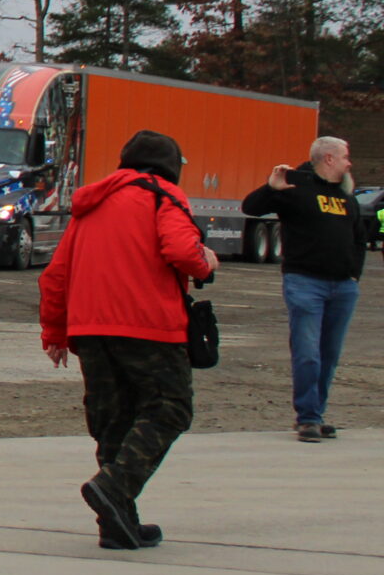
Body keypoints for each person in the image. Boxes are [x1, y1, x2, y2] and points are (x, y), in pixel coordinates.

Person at [39, 129, 216, 550]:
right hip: (148, 325)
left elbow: (55, 276)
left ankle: (117, 524)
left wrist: (55, 333)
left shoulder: (90, 206)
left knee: (112, 422)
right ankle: (115, 488)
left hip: (90, 330)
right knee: (170, 408)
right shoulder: (163, 195)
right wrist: (205, 263)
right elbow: (180, 250)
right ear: (170, 166)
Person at [241, 136, 363, 443]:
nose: (350, 163)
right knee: (308, 353)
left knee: (329, 354)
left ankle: (316, 414)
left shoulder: (346, 196)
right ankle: (307, 418)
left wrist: (354, 276)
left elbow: (358, 237)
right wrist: (271, 188)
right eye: (345, 157)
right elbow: (250, 207)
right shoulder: (295, 189)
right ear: (329, 159)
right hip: (305, 283)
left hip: (343, 287)